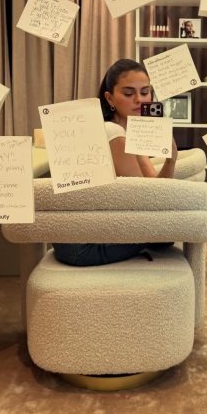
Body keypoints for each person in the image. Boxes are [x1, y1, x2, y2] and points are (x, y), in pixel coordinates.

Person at [52, 59, 178, 266]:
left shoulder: (131, 133)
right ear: (109, 98)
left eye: (145, 92)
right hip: (81, 247)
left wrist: (171, 160)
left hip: (79, 239)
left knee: (167, 227)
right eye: (128, 93)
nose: (139, 100)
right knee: (169, 230)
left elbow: (156, 187)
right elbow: (147, 199)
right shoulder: (113, 132)